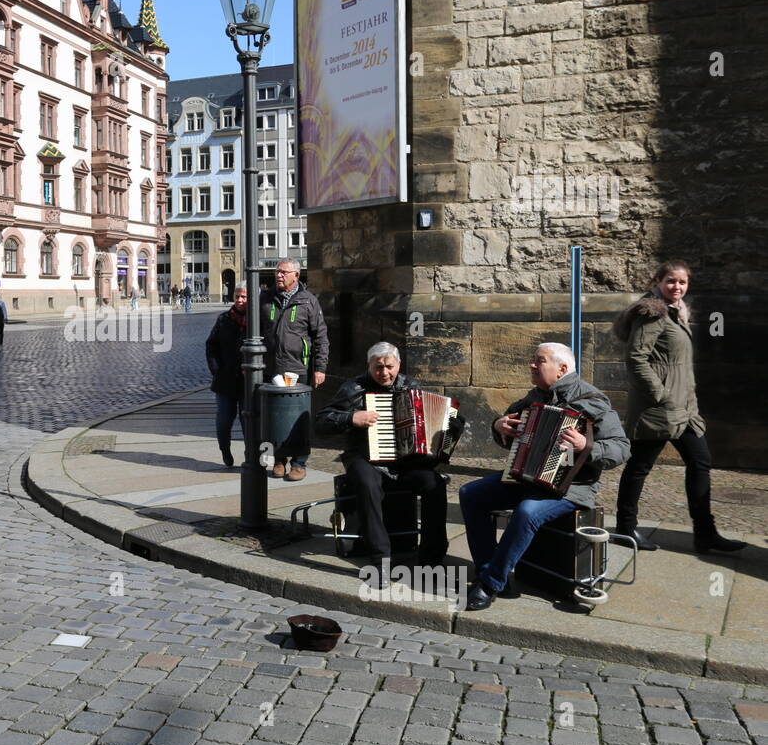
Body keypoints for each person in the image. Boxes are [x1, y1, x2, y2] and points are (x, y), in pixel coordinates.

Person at [458, 343, 630, 611]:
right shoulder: (535, 397)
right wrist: (498, 425)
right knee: (471, 494)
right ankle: (487, 570)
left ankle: (491, 583)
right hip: (527, 477)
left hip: (572, 486)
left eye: (539, 361)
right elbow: (508, 425)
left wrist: (586, 446)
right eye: (533, 360)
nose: (532, 365)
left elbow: (621, 448)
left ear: (562, 369)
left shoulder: (594, 401)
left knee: (527, 511)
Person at [613, 261, 743, 554]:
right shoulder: (652, 313)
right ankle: (625, 528)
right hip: (658, 409)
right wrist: (662, 395)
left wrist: (688, 402)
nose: (677, 287)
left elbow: (679, 367)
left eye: (682, 282)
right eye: (671, 281)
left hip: (685, 410)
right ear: (658, 281)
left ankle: (705, 533)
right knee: (639, 467)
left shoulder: (677, 313)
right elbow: (636, 359)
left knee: (700, 462)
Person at [316, 343, 459, 584]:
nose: (384, 373)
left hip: (404, 461)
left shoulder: (410, 386)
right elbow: (321, 422)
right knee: (368, 484)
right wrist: (351, 417)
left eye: (389, 367)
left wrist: (445, 435)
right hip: (365, 457)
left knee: (434, 483)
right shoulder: (354, 388)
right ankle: (380, 559)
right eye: (378, 367)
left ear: (399, 365)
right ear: (368, 366)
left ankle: (431, 559)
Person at [259, 259, 329, 481]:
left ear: (296, 275)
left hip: (299, 368)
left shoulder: (308, 301)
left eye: (283, 272)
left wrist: (320, 368)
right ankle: (278, 460)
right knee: (273, 416)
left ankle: (299, 462)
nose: (278, 276)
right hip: (271, 368)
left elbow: (321, 337)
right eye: (277, 272)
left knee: (299, 417)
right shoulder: (266, 298)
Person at [205, 285, 248, 467]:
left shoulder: (258, 320)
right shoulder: (223, 319)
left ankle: (252, 455)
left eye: (244, 297)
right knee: (224, 420)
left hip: (249, 382)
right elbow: (211, 346)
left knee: (250, 422)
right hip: (225, 380)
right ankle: (225, 450)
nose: (239, 300)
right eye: (237, 296)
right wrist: (216, 369)